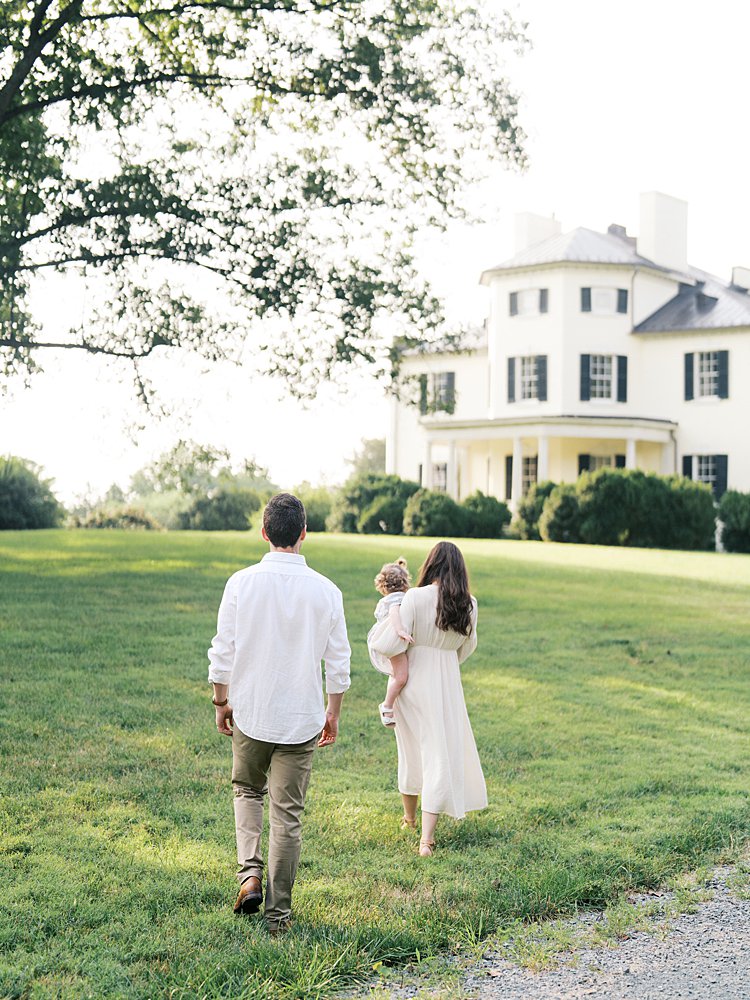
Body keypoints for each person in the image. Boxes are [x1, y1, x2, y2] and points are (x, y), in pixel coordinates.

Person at [207, 492, 351, 935]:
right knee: (287, 815)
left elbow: (222, 653)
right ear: (303, 534)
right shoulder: (327, 591)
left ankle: (249, 875)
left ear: (264, 532)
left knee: (248, 790)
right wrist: (332, 713)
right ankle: (278, 916)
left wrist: (221, 700)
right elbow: (339, 663)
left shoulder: (241, 583)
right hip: (301, 719)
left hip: (252, 711)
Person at [371, 540, 486, 856]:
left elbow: (390, 642)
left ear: (430, 565)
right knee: (438, 752)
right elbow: (467, 647)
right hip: (447, 681)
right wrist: (445, 661)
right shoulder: (469, 604)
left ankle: (410, 820)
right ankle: (426, 838)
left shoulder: (414, 598)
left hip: (413, 682)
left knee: (410, 750)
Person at [369, 558, 414, 728]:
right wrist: (401, 631)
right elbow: (395, 614)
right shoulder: (398, 599)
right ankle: (387, 706)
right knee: (401, 677)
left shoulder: (385, 599)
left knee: (396, 675)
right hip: (394, 643)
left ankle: (391, 705)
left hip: (384, 641)